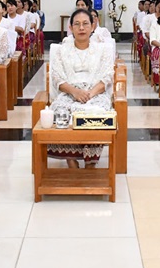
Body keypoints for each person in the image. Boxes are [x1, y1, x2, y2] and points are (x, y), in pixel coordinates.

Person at [48, 9, 116, 169]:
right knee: (60, 111)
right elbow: (57, 77)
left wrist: (89, 94)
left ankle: (91, 160)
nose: (81, 28)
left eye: (85, 24)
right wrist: (75, 92)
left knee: (97, 114)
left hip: (96, 94)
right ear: (70, 28)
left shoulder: (103, 50)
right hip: (69, 93)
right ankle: (71, 158)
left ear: (92, 26)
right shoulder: (61, 50)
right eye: (77, 24)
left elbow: (107, 76)